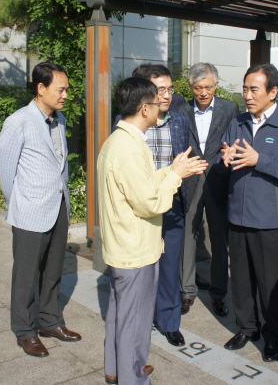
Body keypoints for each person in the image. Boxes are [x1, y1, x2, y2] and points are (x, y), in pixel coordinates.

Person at [98, 77, 207, 385]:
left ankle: (116, 368)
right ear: (144, 108)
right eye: (157, 102)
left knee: (120, 315)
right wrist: (175, 178)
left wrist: (171, 171)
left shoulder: (120, 141)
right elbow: (150, 203)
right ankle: (132, 377)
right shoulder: (130, 147)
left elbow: (139, 186)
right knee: (135, 322)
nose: (164, 104)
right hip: (135, 250)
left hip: (124, 246)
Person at [220, 63, 278, 362]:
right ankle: (247, 327)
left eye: (254, 89)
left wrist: (260, 159)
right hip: (238, 215)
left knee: (271, 284)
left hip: (270, 220)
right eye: (244, 88)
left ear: (273, 92)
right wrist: (226, 156)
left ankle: (273, 334)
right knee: (241, 279)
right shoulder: (238, 122)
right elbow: (228, 154)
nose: (247, 95)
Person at [0, 62, 81, 358]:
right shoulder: (18, 121)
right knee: (26, 274)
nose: (66, 95)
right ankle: (25, 330)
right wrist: (19, 203)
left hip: (58, 206)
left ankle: (50, 321)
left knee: (54, 269)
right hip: (31, 210)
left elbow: (60, 166)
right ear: (41, 88)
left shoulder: (61, 120)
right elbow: (5, 170)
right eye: (61, 89)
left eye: (67, 89)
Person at [128, 64, 191, 347]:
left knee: (169, 265)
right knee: (141, 266)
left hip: (171, 204)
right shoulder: (128, 123)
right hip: (140, 205)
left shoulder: (179, 121)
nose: (166, 95)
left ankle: (169, 320)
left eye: (169, 89)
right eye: (160, 90)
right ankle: (140, 318)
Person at [176, 62, 239, 317]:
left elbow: (234, 141)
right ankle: (186, 291)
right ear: (191, 86)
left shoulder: (230, 108)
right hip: (190, 178)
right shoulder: (181, 110)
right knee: (187, 237)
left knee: (218, 237)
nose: (203, 92)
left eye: (208, 87)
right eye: (199, 87)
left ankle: (219, 293)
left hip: (218, 178)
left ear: (216, 85)